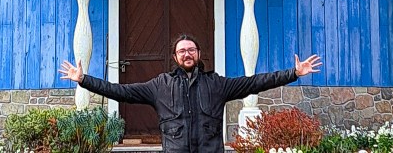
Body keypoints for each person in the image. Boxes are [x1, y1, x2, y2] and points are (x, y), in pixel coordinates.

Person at [59, 34, 321, 153]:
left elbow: (255, 83)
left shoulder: (217, 84)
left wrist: (293, 73)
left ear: (198, 54)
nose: (187, 53)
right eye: (182, 51)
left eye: (191, 50)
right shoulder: (159, 85)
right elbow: (119, 91)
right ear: (175, 56)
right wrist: (83, 80)